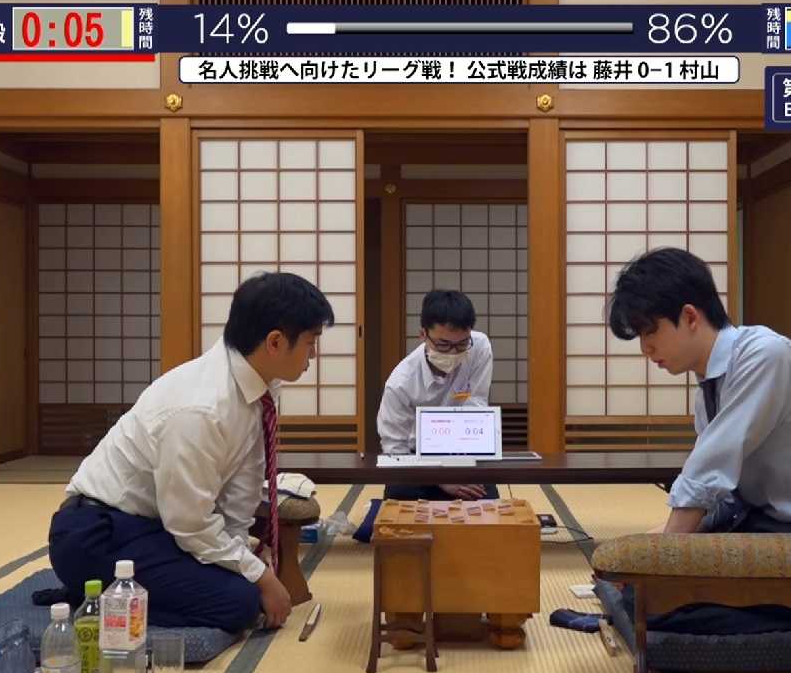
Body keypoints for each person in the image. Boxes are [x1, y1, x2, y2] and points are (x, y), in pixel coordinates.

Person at [607, 248, 791, 633]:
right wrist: (657, 542)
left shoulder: (764, 355)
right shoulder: (710, 388)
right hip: (770, 526)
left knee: (650, 601)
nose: (645, 349)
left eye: (650, 331)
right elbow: (723, 495)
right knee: (643, 590)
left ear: (690, 317)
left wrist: (662, 558)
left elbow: (708, 470)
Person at [47, 272, 334, 634]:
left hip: (154, 527)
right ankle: (99, 600)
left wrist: (244, 560)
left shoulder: (257, 387)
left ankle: (118, 592)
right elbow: (189, 523)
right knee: (240, 602)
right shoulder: (201, 408)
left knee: (243, 581)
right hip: (96, 534)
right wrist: (259, 577)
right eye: (310, 342)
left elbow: (241, 492)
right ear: (275, 342)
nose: (314, 354)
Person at [377, 289, 497, 501]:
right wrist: (439, 477)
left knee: (488, 505)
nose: (453, 353)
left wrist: (457, 463)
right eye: (443, 345)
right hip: (415, 461)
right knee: (399, 503)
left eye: (462, 344)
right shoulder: (400, 383)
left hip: (462, 451)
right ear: (423, 335)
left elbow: (476, 403)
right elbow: (395, 450)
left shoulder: (479, 347)